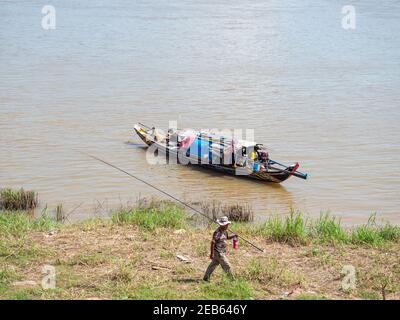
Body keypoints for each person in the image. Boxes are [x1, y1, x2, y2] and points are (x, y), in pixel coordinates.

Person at [203, 216, 236, 281]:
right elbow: (213, 242)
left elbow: (227, 237)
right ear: (221, 225)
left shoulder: (225, 231)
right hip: (218, 252)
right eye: (226, 225)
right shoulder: (217, 232)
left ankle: (206, 278)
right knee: (227, 265)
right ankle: (232, 280)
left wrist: (233, 236)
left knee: (213, 265)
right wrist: (211, 253)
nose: (227, 226)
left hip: (221, 251)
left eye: (227, 225)